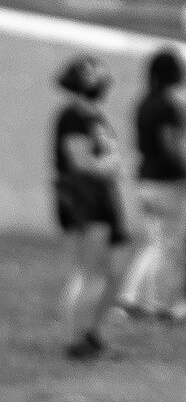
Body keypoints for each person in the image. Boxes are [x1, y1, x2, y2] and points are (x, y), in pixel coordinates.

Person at [51, 52, 129, 357]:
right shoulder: (71, 116)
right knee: (88, 272)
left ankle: (92, 333)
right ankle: (74, 341)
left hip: (102, 197)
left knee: (111, 273)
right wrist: (110, 163)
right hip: (84, 199)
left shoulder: (93, 116)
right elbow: (79, 161)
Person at [124, 46, 186, 319]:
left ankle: (131, 295)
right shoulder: (169, 106)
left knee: (152, 242)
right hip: (167, 183)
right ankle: (158, 303)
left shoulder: (144, 102)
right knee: (168, 245)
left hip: (145, 179)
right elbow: (173, 145)